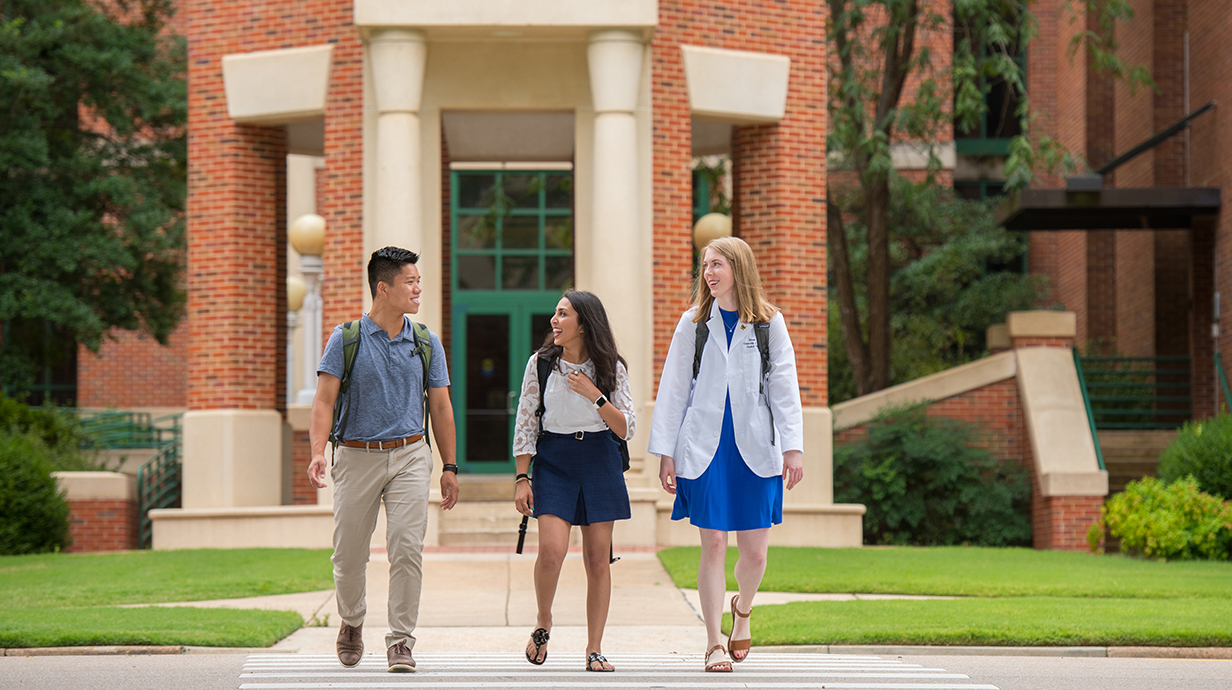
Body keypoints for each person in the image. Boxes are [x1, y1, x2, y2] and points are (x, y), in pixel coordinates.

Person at [647, 236, 804, 673]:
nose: (708, 273)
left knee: (754, 555)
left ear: (739, 268)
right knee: (713, 543)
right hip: (706, 447)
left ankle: (743, 609)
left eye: (716, 264)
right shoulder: (693, 322)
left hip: (755, 447)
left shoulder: (770, 323)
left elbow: (784, 388)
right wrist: (666, 452)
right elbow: (674, 390)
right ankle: (714, 642)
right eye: (704, 265)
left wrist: (793, 447)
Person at [306, 246, 460, 673]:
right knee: (350, 555)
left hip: (411, 454)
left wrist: (449, 466)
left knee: (407, 549)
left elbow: (442, 407)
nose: (418, 288)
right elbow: (323, 400)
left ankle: (400, 640)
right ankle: (352, 622)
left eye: (417, 280)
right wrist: (318, 451)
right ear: (383, 287)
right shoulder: (346, 338)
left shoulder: (426, 341)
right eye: (409, 281)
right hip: (356, 456)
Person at [512, 289, 635, 673]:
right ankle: (544, 620)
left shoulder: (611, 366)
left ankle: (594, 647)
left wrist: (595, 395)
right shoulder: (541, 364)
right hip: (555, 461)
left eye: (563, 314)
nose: (554, 320)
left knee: (598, 559)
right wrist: (521, 476)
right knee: (551, 550)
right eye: (555, 313)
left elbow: (626, 427)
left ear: (584, 323)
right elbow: (526, 420)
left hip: (600, 459)